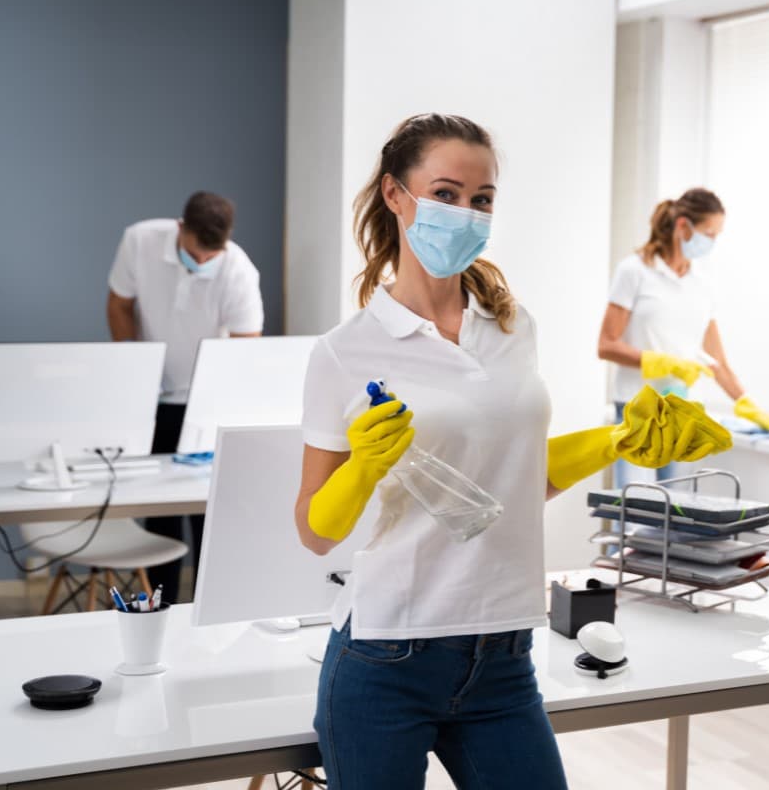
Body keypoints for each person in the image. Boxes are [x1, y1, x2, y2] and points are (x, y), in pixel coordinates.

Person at [293, 113, 727, 790]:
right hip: (387, 659)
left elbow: (521, 476)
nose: (464, 213)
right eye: (444, 193)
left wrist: (618, 441)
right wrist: (366, 469)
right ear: (394, 195)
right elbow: (315, 532)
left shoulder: (511, 325)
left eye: (482, 200)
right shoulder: (345, 352)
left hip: (503, 656)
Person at [107, 191, 264, 602]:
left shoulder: (238, 270)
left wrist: (218, 404)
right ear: (180, 228)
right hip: (152, 399)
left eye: (213, 255)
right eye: (198, 253)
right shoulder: (140, 241)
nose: (205, 262)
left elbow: (247, 347)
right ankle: (163, 608)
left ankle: (206, 611)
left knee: (209, 514)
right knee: (161, 517)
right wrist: (134, 367)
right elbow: (120, 304)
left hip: (207, 408)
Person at [598, 188, 769, 487]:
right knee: (634, 509)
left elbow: (717, 359)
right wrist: (663, 363)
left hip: (684, 411)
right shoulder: (634, 271)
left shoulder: (702, 285)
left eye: (717, 235)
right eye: (709, 233)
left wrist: (746, 403)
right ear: (683, 226)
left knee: (676, 511)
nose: (712, 242)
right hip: (637, 409)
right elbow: (606, 345)